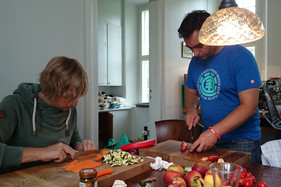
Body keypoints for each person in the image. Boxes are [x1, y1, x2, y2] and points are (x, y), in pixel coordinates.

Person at [178, 10, 262, 163]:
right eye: (191, 49)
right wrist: (191, 109)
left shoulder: (241, 57)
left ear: (213, 33)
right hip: (210, 139)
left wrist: (215, 132)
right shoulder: (195, 62)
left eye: (199, 46)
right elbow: (191, 92)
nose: (195, 53)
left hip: (242, 142)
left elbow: (249, 106)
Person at [0, 56, 96, 173]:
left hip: (56, 178)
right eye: (69, 98)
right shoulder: (14, 105)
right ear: (52, 89)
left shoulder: (69, 109)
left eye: (77, 98)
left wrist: (80, 146)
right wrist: (42, 153)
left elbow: (74, 139)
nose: (75, 104)